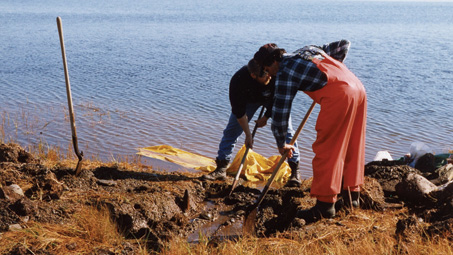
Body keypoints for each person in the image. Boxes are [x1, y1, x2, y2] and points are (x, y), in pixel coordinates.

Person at [253, 40, 367, 222]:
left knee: (327, 149)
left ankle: (325, 206)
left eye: (267, 69)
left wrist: (282, 143)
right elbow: (343, 45)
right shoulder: (308, 50)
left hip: (340, 95)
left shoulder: (284, 71)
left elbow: (280, 113)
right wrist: (334, 71)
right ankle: (352, 199)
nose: (269, 74)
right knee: (352, 146)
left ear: (274, 62)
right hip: (358, 88)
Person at [201, 59, 301, 187]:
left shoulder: (275, 74)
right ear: (253, 75)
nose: (269, 75)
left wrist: (266, 117)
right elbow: (239, 112)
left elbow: (281, 101)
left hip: (273, 100)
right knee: (231, 131)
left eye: (269, 72)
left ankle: (295, 172)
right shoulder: (238, 80)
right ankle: (221, 168)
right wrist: (248, 135)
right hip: (250, 100)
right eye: (265, 75)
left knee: (287, 130)